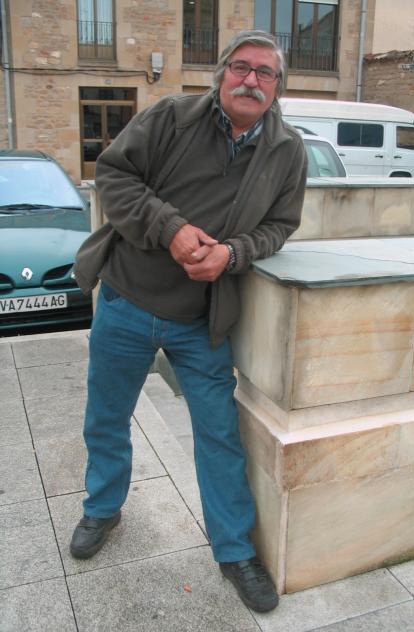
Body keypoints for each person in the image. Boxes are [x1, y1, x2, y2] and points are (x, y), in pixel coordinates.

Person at [70, 29, 307, 613]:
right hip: (128, 299)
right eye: (241, 67)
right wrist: (171, 229)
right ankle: (102, 508)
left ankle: (235, 551)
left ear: (277, 87)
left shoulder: (288, 151)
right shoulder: (172, 117)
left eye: (265, 72)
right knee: (107, 418)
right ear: (222, 74)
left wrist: (234, 254)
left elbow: (281, 226)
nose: (251, 80)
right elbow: (113, 176)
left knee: (219, 435)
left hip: (203, 319)